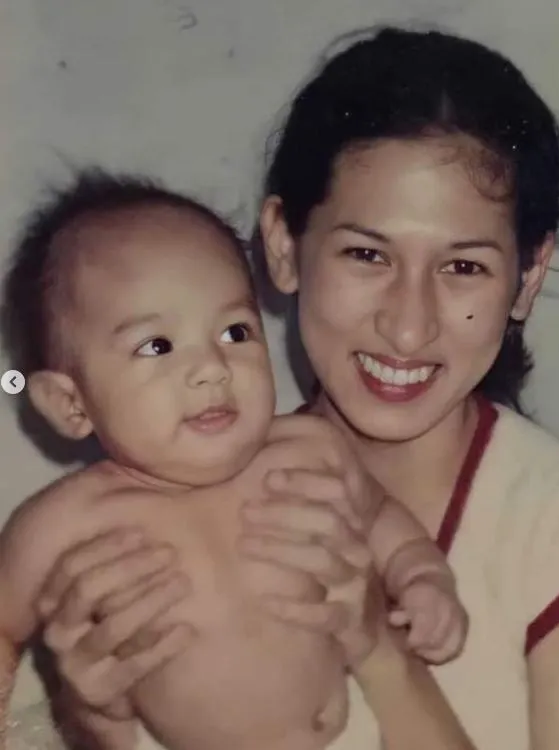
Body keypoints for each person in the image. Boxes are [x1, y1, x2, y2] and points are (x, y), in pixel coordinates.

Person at [28, 25, 559, 750]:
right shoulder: (162, 500)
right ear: (282, 246)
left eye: (462, 267)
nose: (408, 329)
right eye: (366, 254)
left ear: (525, 279)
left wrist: (381, 657)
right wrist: (95, 722)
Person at [0, 170, 467, 750]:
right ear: (71, 404)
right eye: (157, 346)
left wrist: (424, 579)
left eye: (234, 331)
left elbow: (384, 522)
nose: (213, 368)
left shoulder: (308, 448)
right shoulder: (61, 524)